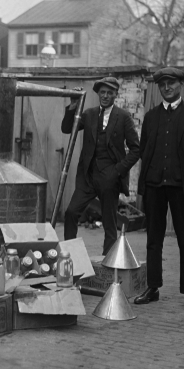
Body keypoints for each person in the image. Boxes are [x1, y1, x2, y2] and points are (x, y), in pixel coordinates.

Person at [134, 67, 184, 313]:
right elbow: (145, 150)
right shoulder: (151, 117)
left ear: (180, 84)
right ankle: (153, 287)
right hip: (155, 186)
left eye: (171, 83)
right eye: (162, 84)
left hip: (181, 188)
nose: (167, 87)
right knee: (153, 240)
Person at [62, 77, 140, 255]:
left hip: (109, 177)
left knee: (110, 223)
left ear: (115, 95)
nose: (105, 96)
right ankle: (70, 256)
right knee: (71, 212)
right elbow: (67, 128)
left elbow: (136, 150)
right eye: (102, 92)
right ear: (98, 94)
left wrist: (117, 171)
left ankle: (108, 264)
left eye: (109, 93)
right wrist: (73, 105)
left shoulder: (123, 117)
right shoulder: (89, 114)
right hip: (87, 176)